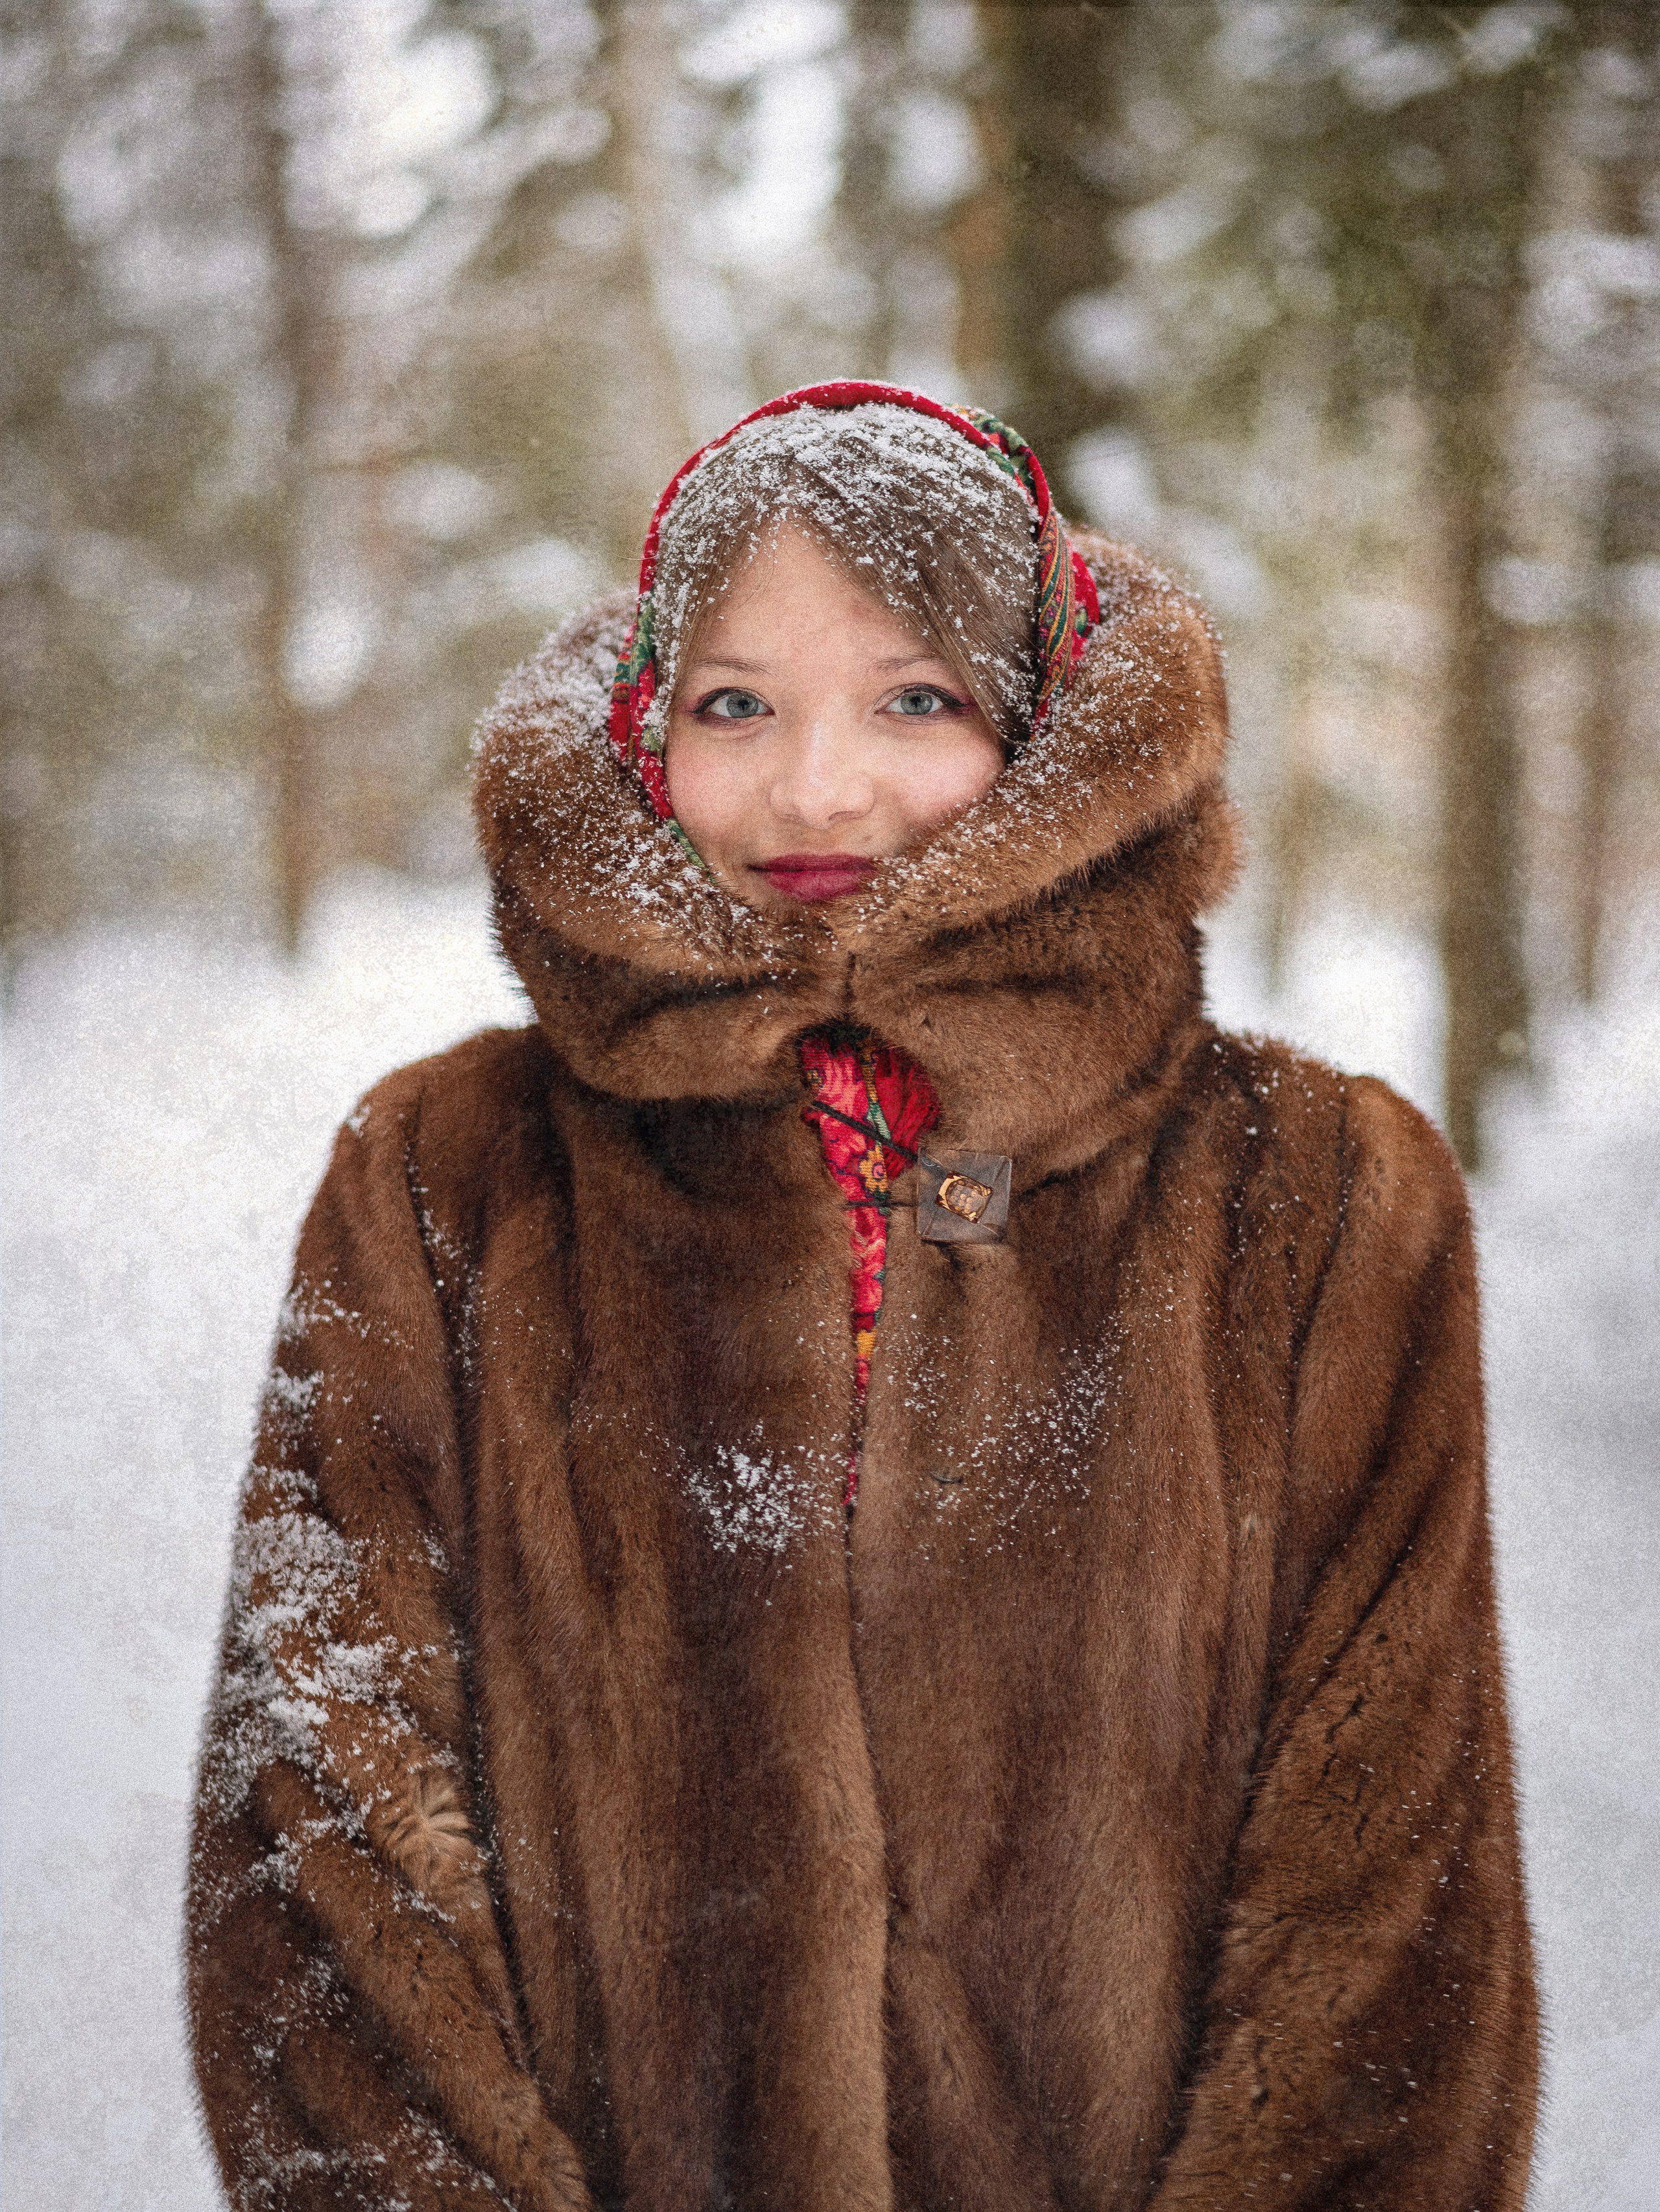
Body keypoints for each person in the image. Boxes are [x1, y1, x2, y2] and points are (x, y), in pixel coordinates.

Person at [187, 383, 1538, 2211]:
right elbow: (323, 1878)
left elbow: (1389, 1934)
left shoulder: (1320, 1205)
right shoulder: (444, 1181)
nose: (818, 786)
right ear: (639, 736)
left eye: (919, 697)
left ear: (1049, 730)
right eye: (733, 702)